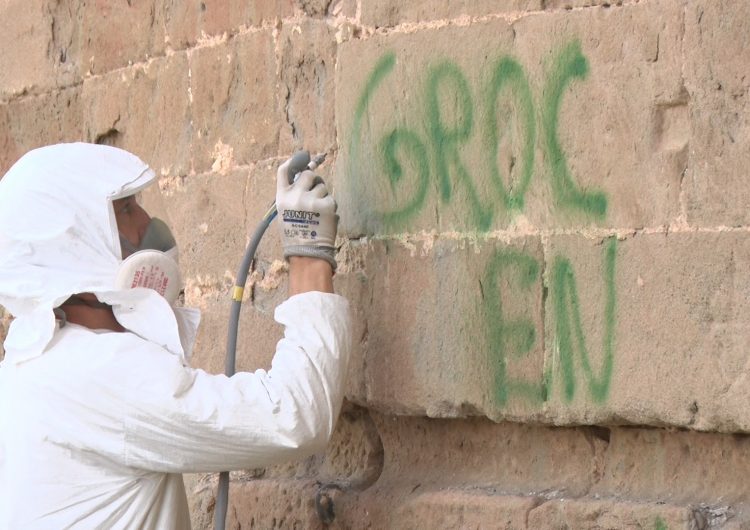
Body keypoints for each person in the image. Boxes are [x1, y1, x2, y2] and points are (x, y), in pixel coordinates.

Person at [0, 143, 351, 529]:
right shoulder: (98, 371)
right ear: (75, 248)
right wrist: (309, 255)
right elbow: (294, 416)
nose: (146, 220)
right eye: (126, 210)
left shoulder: (28, 366)